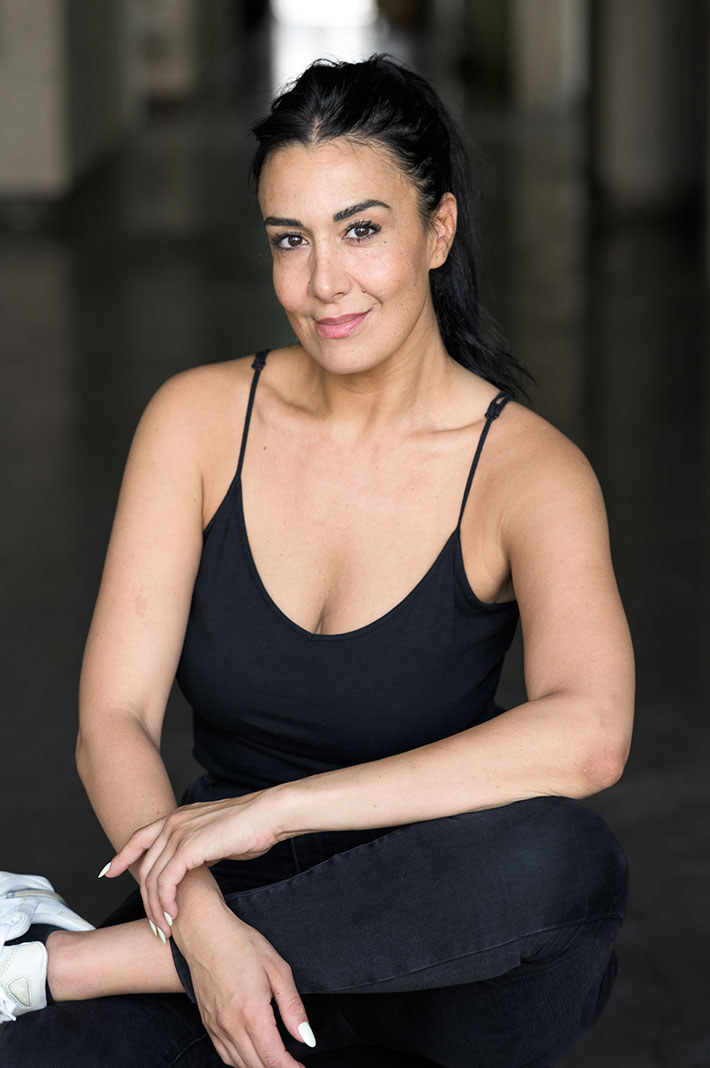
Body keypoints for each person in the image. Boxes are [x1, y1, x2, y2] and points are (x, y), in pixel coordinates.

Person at [0, 54, 633, 1068]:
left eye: (360, 229)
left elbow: (589, 736)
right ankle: (174, 971)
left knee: (564, 860)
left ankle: (65, 961)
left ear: (438, 229)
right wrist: (206, 936)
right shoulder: (198, 421)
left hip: (443, 925)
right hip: (221, 911)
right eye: (289, 240)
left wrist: (276, 810)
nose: (323, 280)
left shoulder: (528, 472)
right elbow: (109, 720)